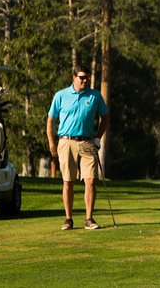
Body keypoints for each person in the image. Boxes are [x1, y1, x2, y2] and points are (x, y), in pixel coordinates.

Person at [47, 65, 109, 231]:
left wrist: (98, 136)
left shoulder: (95, 96)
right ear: (73, 77)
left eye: (87, 77)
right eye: (81, 77)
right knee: (68, 181)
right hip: (66, 142)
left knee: (90, 180)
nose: (84, 80)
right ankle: (68, 219)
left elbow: (105, 116)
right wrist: (52, 142)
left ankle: (89, 219)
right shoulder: (61, 95)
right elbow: (50, 120)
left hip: (88, 142)